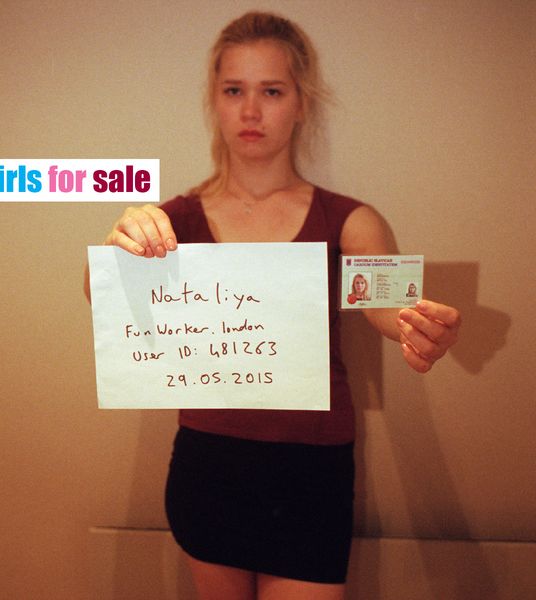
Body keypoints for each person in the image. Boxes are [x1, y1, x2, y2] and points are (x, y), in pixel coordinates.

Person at [94, 11, 461, 600]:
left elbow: (388, 307)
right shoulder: (172, 220)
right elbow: (102, 295)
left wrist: (418, 325)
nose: (250, 110)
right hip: (208, 466)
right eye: (233, 90)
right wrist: (121, 244)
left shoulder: (349, 219)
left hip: (310, 474)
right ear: (214, 101)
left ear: (301, 103)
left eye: (271, 91)